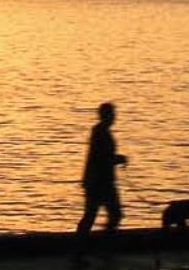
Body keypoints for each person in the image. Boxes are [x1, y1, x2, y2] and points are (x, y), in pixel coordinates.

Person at [75, 101, 127, 261]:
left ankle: (85, 250)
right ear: (106, 116)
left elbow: (101, 157)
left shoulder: (100, 131)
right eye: (112, 114)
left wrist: (116, 159)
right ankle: (96, 249)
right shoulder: (101, 133)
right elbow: (102, 158)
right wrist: (119, 158)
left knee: (94, 216)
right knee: (111, 215)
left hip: (98, 181)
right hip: (100, 182)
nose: (114, 118)